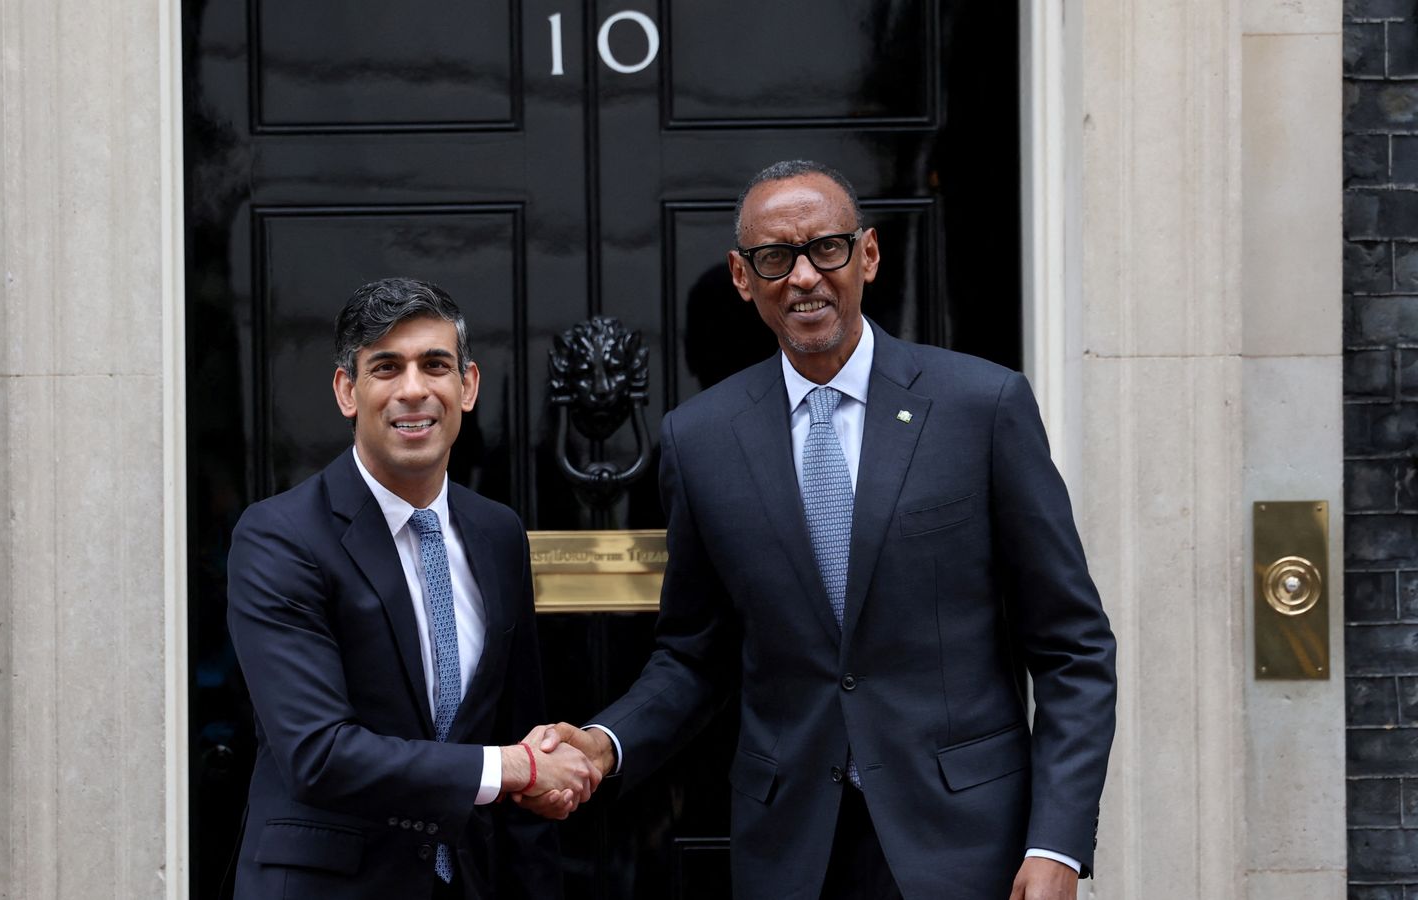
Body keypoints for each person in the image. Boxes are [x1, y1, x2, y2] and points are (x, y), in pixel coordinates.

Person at [529, 161, 1117, 900]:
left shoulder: (982, 406)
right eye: (776, 258)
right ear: (744, 278)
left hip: (969, 845)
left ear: (867, 255)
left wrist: (1056, 844)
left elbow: (1073, 647)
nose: (803, 276)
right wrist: (603, 744)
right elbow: (694, 655)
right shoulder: (700, 440)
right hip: (792, 852)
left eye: (826, 249)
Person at [227, 277, 599, 900]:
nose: (413, 390)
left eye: (435, 365)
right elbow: (319, 752)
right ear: (348, 390)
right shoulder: (279, 537)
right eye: (386, 367)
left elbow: (518, 722)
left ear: (468, 385)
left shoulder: (498, 532)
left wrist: (539, 781)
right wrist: (514, 766)